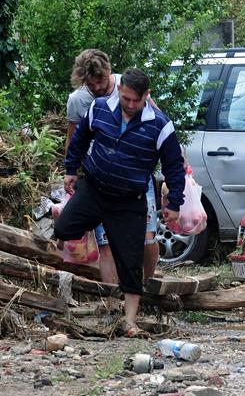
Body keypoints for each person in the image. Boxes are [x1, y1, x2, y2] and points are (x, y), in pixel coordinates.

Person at [56, 68, 185, 336]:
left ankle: (129, 321)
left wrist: (174, 203)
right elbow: (79, 139)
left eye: (135, 100)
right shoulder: (100, 108)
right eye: (125, 98)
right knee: (64, 229)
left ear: (146, 96)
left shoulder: (160, 125)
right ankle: (98, 239)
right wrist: (70, 169)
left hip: (128, 201)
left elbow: (174, 166)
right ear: (120, 90)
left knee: (129, 261)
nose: (130, 105)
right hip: (93, 190)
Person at [65, 50, 160, 287]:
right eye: (91, 83)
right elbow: (73, 139)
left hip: (136, 176)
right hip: (99, 180)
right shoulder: (78, 100)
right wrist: (70, 171)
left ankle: (147, 287)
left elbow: (159, 123)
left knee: (147, 238)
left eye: (101, 81)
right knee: (106, 243)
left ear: (110, 73)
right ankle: (112, 299)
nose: (97, 87)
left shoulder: (128, 87)